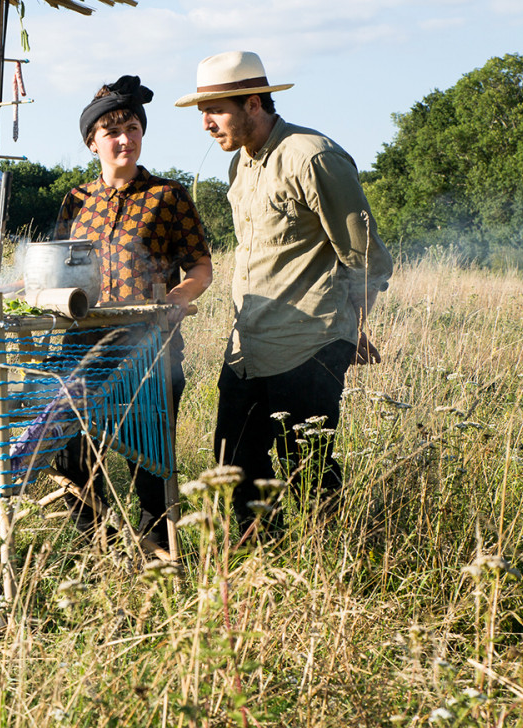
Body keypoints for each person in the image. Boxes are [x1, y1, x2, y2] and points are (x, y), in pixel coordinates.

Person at [175, 50, 392, 530]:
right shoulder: (240, 166)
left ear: (254, 103)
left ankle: (330, 564)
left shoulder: (313, 156)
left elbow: (366, 257)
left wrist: (352, 329)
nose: (206, 124)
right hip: (247, 347)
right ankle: (258, 567)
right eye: (202, 114)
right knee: (234, 466)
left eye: (215, 112)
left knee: (308, 471)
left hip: (307, 343)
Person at [50, 75, 214, 544]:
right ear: (92, 143)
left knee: (148, 462)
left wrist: (178, 300)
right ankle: (94, 553)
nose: (125, 139)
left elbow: (200, 268)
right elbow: (56, 268)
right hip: (81, 346)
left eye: (133, 129)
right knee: (73, 454)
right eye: (112, 132)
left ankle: (157, 564)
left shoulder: (168, 196)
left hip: (149, 351)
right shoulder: (76, 200)